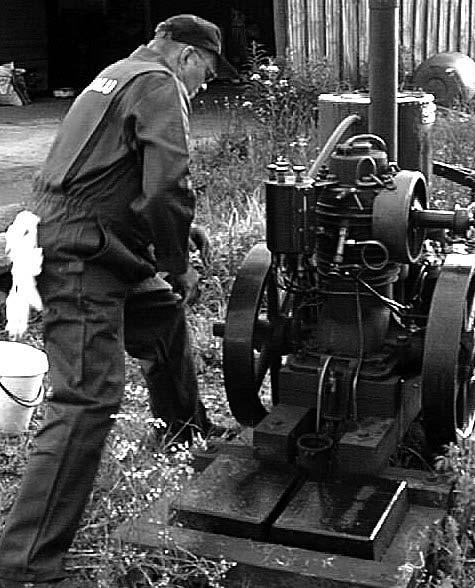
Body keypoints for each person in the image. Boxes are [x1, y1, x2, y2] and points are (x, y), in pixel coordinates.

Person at [0, 14, 237, 587]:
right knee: (86, 398)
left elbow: (116, 174)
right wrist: (177, 263)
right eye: (205, 72)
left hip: (102, 245)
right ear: (185, 57)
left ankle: (183, 429)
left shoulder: (115, 74)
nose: (204, 85)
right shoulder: (160, 84)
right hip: (82, 257)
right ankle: (25, 565)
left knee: (160, 320)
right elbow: (166, 184)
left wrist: (180, 235)